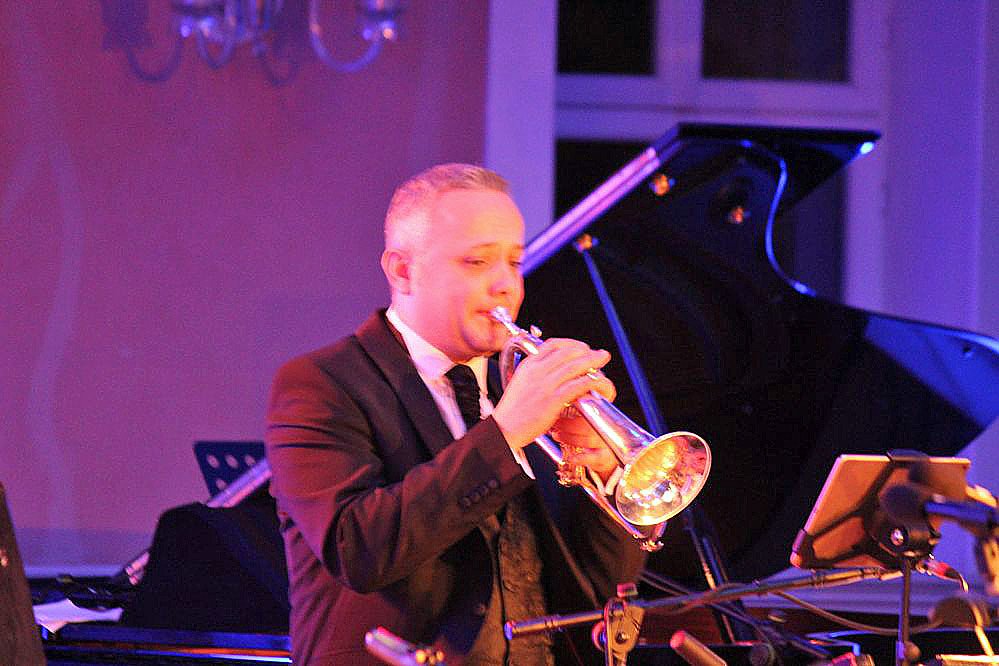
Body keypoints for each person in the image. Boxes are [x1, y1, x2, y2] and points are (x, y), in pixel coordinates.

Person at [265, 164, 648, 665]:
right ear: (402, 271)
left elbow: (601, 586)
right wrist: (506, 434)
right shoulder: (321, 383)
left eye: (514, 261)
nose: (505, 284)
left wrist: (603, 473)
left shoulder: (525, 391)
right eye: (476, 262)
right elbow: (358, 550)